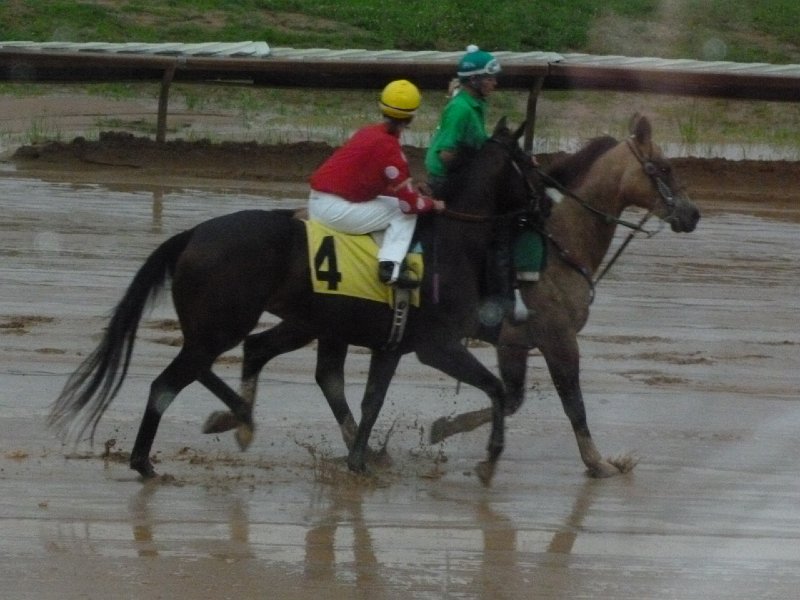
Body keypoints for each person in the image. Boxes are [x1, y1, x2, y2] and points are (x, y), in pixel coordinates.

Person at [425, 45, 546, 324]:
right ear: (474, 80)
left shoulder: (474, 104)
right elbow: (446, 155)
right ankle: (502, 303)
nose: (495, 83)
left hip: (459, 178)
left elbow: (479, 147)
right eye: (490, 78)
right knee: (499, 228)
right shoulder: (460, 110)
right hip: (446, 182)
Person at [309, 79, 445, 287]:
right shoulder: (391, 149)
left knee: (391, 203)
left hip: (319, 200)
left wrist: (410, 192)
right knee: (402, 213)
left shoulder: (367, 132)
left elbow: (375, 184)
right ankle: (390, 269)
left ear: (382, 108)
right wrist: (431, 203)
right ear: (411, 117)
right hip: (333, 210)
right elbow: (409, 206)